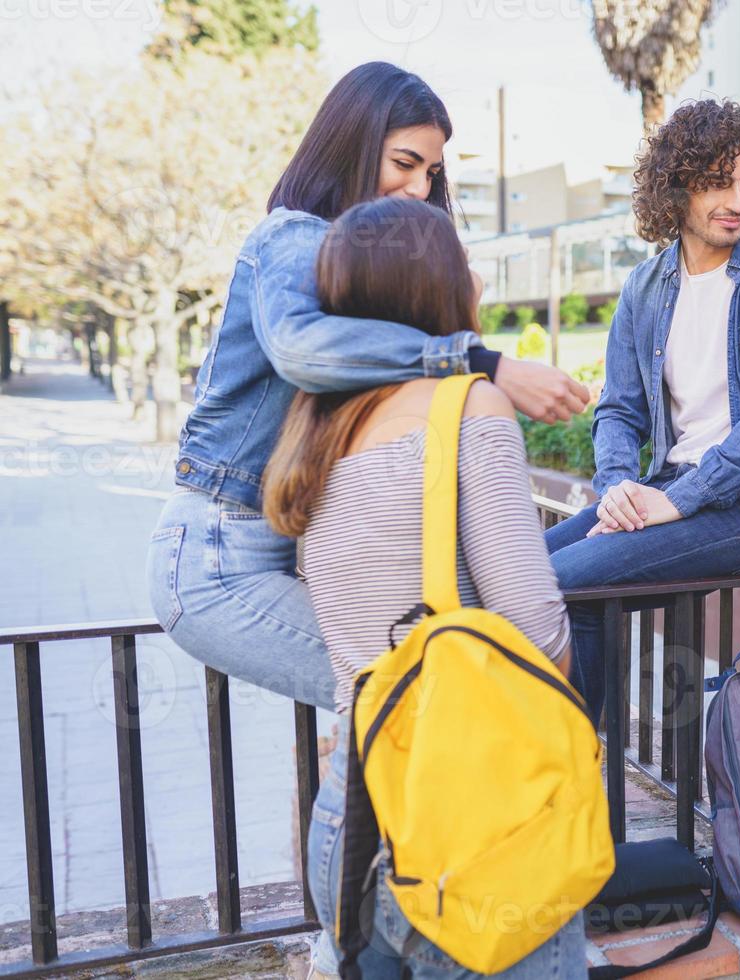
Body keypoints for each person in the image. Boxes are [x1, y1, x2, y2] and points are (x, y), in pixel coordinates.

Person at [145, 62, 589, 711]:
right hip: (218, 558)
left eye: (431, 173)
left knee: (395, 719)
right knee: (421, 702)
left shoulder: (349, 261)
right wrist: (481, 362)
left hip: (263, 548)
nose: (418, 186)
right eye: (404, 162)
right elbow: (303, 348)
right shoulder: (296, 234)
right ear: (351, 145)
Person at [261, 196, 583, 979]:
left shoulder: (316, 428)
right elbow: (536, 629)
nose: (474, 272)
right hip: (469, 821)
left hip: (352, 815)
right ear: (431, 289)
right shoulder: (468, 404)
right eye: (462, 257)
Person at [544, 99, 740, 723]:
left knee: (563, 582)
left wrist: (680, 498)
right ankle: (581, 769)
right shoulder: (645, 288)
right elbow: (618, 409)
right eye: (717, 181)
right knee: (530, 571)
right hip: (671, 492)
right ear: (677, 187)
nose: (737, 200)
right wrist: (618, 485)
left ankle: (578, 765)